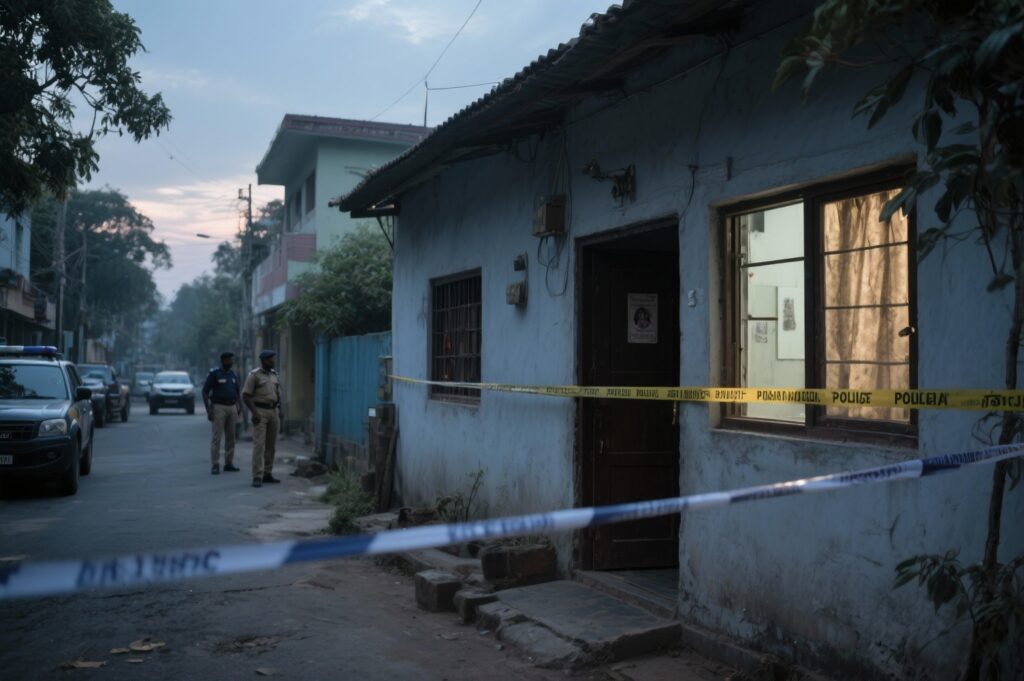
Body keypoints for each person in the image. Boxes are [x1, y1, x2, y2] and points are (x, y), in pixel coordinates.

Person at [242, 349, 283, 488]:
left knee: (271, 446)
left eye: (273, 358)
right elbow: (246, 395)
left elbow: (277, 394)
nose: (273, 361)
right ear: (264, 360)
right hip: (260, 411)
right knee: (259, 445)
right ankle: (257, 476)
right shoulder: (254, 375)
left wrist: (279, 410)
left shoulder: (274, 375)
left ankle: (267, 473)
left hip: (273, 411)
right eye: (270, 359)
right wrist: (254, 413)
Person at [202, 352, 242, 475]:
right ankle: (215, 464)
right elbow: (205, 391)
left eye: (232, 360)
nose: (231, 362)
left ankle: (228, 463)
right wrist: (208, 410)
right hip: (219, 407)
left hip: (232, 407)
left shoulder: (233, 375)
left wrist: (239, 406)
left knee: (231, 437)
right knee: (217, 437)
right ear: (223, 360)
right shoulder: (215, 374)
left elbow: (237, 392)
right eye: (229, 360)